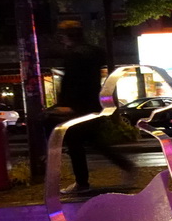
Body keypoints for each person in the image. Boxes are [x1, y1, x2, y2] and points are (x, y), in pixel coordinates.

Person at [54, 21, 135, 194]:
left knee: (75, 143)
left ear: (67, 36)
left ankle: (82, 183)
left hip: (77, 107)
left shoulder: (74, 55)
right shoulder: (94, 52)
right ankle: (126, 166)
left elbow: (72, 82)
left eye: (62, 35)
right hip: (92, 104)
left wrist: (66, 104)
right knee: (94, 141)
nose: (61, 39)